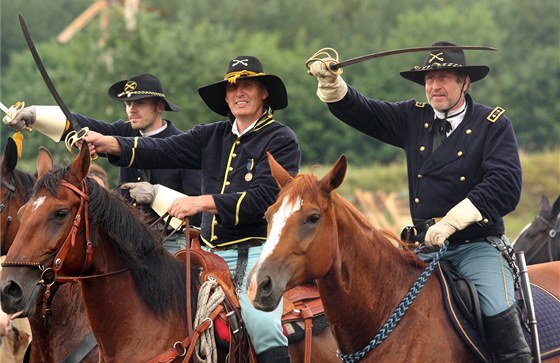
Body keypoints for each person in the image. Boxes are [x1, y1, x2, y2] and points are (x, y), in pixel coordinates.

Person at [308, 41, 530, 362]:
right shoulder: (413, 118)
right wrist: (333, 85)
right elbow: (364, 111)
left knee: (499, 312)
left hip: (475, 245)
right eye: (429, 79)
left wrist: (453, 221)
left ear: (465, 83)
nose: (435, 86)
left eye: (444, 78)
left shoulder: (492, 124)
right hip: (422, 248)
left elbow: (506, 184)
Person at [83, 56, 300, 362]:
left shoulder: (281, 139)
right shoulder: (210, 135)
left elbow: (265, 199)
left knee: (262, 323)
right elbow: (160, 148)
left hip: (257, 253)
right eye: (232, 88)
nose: (239, 93)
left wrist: (201, 202)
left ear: (263, 92)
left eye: (247, 85)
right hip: (206, 255)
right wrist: (110, 144)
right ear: (225, 97)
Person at [3, 73, 202, 254]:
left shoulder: (181, 145)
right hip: (127, 238)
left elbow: (197, 208)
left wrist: (156, 196)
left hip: (172, 242)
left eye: (139, 103)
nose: (131, 109)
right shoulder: (124, 131)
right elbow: (82, 125)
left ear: (159, 107)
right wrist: (34, 116)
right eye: (127, 104)